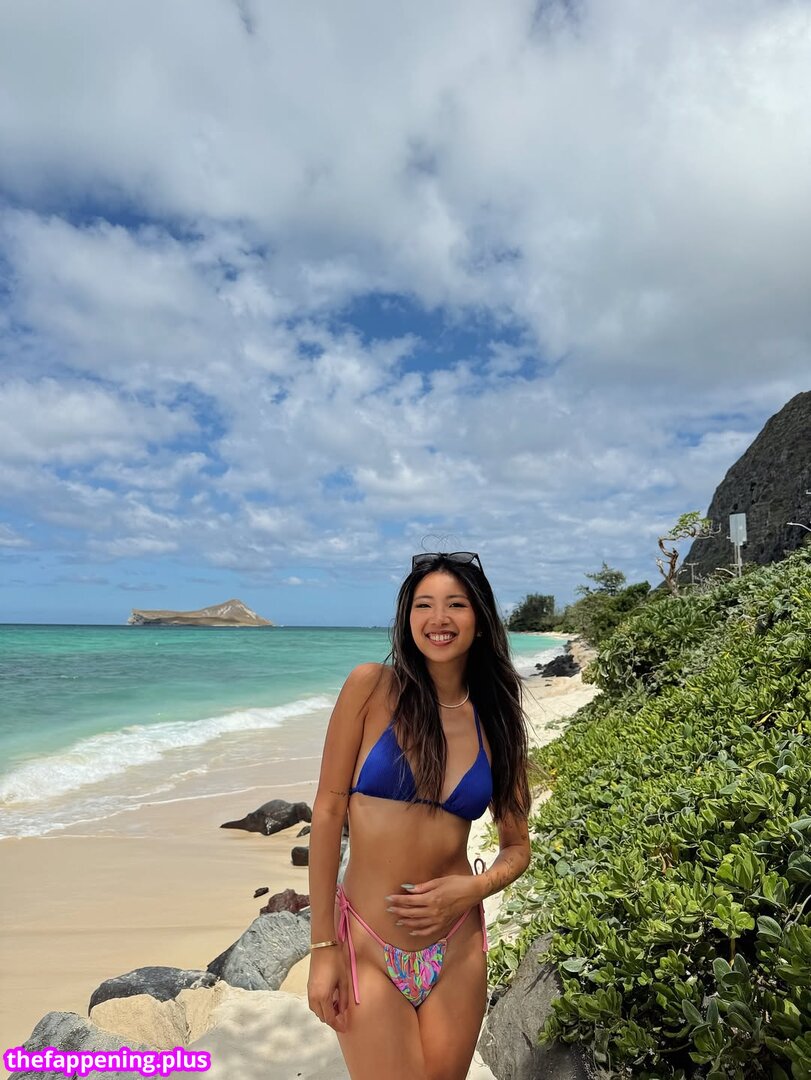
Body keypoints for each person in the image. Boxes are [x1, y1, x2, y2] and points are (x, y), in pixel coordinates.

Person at [307, 551, 531, 1080]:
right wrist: (322, 948)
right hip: (367, 946)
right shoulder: (371, 688)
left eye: (456, 604)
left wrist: (472, 889)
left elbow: (517, 847)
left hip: (456, 949)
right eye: (424, 605)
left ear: (480, 620)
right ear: (407, 619)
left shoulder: (497, 720)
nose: (439, 618)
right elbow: (327, 811)